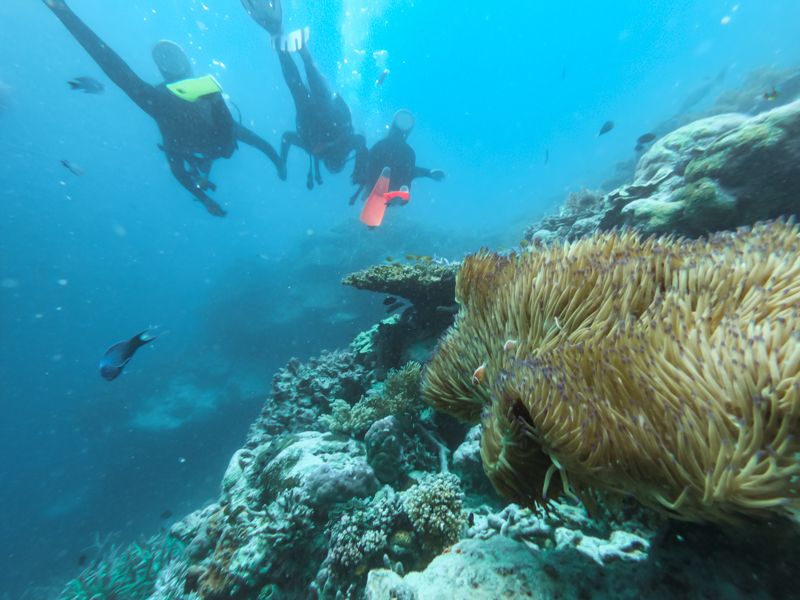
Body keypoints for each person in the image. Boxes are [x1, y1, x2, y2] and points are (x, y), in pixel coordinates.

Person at [43, 0, 286, 217]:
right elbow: (260, 145)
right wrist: (277, 164)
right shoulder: (201, 142)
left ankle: (210, 95)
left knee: (127, 80)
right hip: (184, 109)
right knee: (224, 140)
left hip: (174, 105)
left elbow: (181, 172)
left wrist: (206, 199)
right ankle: (211, 96)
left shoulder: (179, 143)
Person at [241, 0, 367, 190]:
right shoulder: (346, 145)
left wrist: (282, 162)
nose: (334, 158)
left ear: (324, 163)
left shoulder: (314, 150)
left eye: (330, 162)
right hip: (330, 112)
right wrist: (358, 166)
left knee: (297, 85)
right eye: (338, 161)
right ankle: (302, 50)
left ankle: (279, 36)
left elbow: (286, 137)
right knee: (310, 81)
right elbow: (360, 141)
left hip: (308, 115)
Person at [350, 109, 445, 205]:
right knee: (406, 176)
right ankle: (402, 193)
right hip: (395, 181)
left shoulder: (380, 145)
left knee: (363, 175)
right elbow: (411, 171)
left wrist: (360, 146)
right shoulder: (409, 151)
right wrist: (428, 173)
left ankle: (398, 193)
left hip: (374, 178)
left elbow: (368, 162)